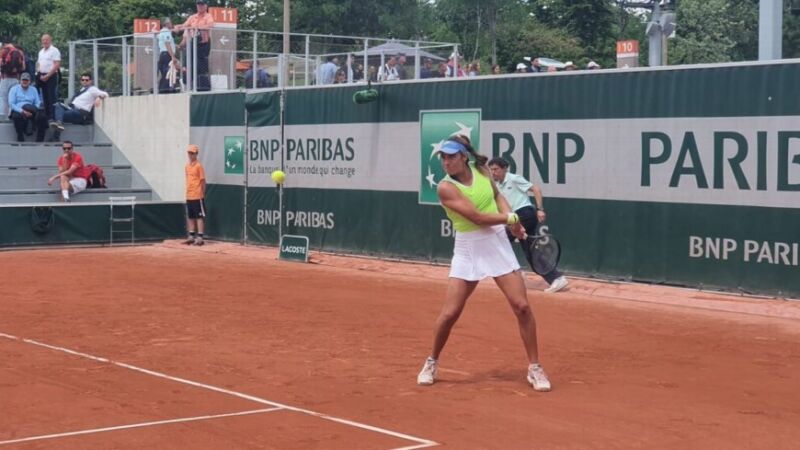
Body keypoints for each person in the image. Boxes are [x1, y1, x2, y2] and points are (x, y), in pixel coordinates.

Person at [417, 135, 551, 392]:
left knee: (522, 306)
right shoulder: (445, 188)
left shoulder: (481, 170)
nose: (446, 162)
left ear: (463, 157)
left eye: (451, 156)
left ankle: (534, 367)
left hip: (496, 243)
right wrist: (512, 219)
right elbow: (477, 218)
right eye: (443, 157)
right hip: (468, 249)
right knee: (450, 313)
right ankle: (431, 361)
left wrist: (512, 220)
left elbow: (497, 195)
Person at [488, 157, 569, 293]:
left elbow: (536, 189)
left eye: (496, 169)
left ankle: (516, 271)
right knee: (530, 251)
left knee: (501, 239)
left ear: (504, 168)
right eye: (491, 170)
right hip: (514, 217)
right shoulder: (497, 186)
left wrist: (540, 209)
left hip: (525, 213)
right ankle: (556, 278)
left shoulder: (514, 178)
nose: (493, 173)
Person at [176, 0, 215, 91]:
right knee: (189, 63)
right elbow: (184, 25)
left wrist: (198, 28)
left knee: (201, 65)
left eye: (202, 5)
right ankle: (189, 83)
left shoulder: (208, 16)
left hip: (203, 43)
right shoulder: (192, 17)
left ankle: (202, 86)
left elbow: (211, 25)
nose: (200, 6)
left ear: (206, 6)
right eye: (198, 5)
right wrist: (178, 27)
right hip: (193, 42)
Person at [8, 72, 48, 142]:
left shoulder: (33, 89)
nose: (25, 81)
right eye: (23, 80)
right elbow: (11, 104)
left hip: (32, 109)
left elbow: (37, 102)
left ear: (30, 81)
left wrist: (32, 110)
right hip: (18, 109)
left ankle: (40, 139)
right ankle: (20, 136)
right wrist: (22, 111)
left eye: (26, 80)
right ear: (20, 80)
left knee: (42, 116)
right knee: (17, 116)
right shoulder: (14, 89)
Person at [184, 144, 207, 246]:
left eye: (192, 153)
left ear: (196, 154)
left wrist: (202, 193)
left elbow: (203, 181)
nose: (190, 155)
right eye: (189, 153)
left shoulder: (199, 166)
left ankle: (200, 237)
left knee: (199, 217)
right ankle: (191, 236)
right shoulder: (187, 166)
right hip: (189, 195)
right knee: (191, 216)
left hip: (198, 195)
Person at [36, 34, 61, 121]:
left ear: (50, 40)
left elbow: (57, 64)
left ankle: (52, 117)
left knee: (51, 96)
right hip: (42, 75)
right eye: (43, 40)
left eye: (46, 40)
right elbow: (38, 64)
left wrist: (48, 75)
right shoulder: (41, 52)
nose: (45, 41)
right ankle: (46, 116)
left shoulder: (54, 50)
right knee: (44, 96)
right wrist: (38, 73)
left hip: (51, 76)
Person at [0, 43, 26, 116]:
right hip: (15, 79)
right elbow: (23, 68)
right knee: (14, 99)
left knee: (3, 99)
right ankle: (13, 115)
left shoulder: (5, 52)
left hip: (5, 78)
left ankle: (3, 116)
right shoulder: (19, 53)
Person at [157, 18, 178, 93]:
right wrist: (172, 56)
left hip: (162, 54)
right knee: (168, 72)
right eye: (170, 23)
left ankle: (162, 89)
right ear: (167, 24)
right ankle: (166, 89)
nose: (171, 25)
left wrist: (175, 46)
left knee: (164, 72)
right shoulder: (166, 32)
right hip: (167, 54)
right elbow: (167, 43)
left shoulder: (161, 32)